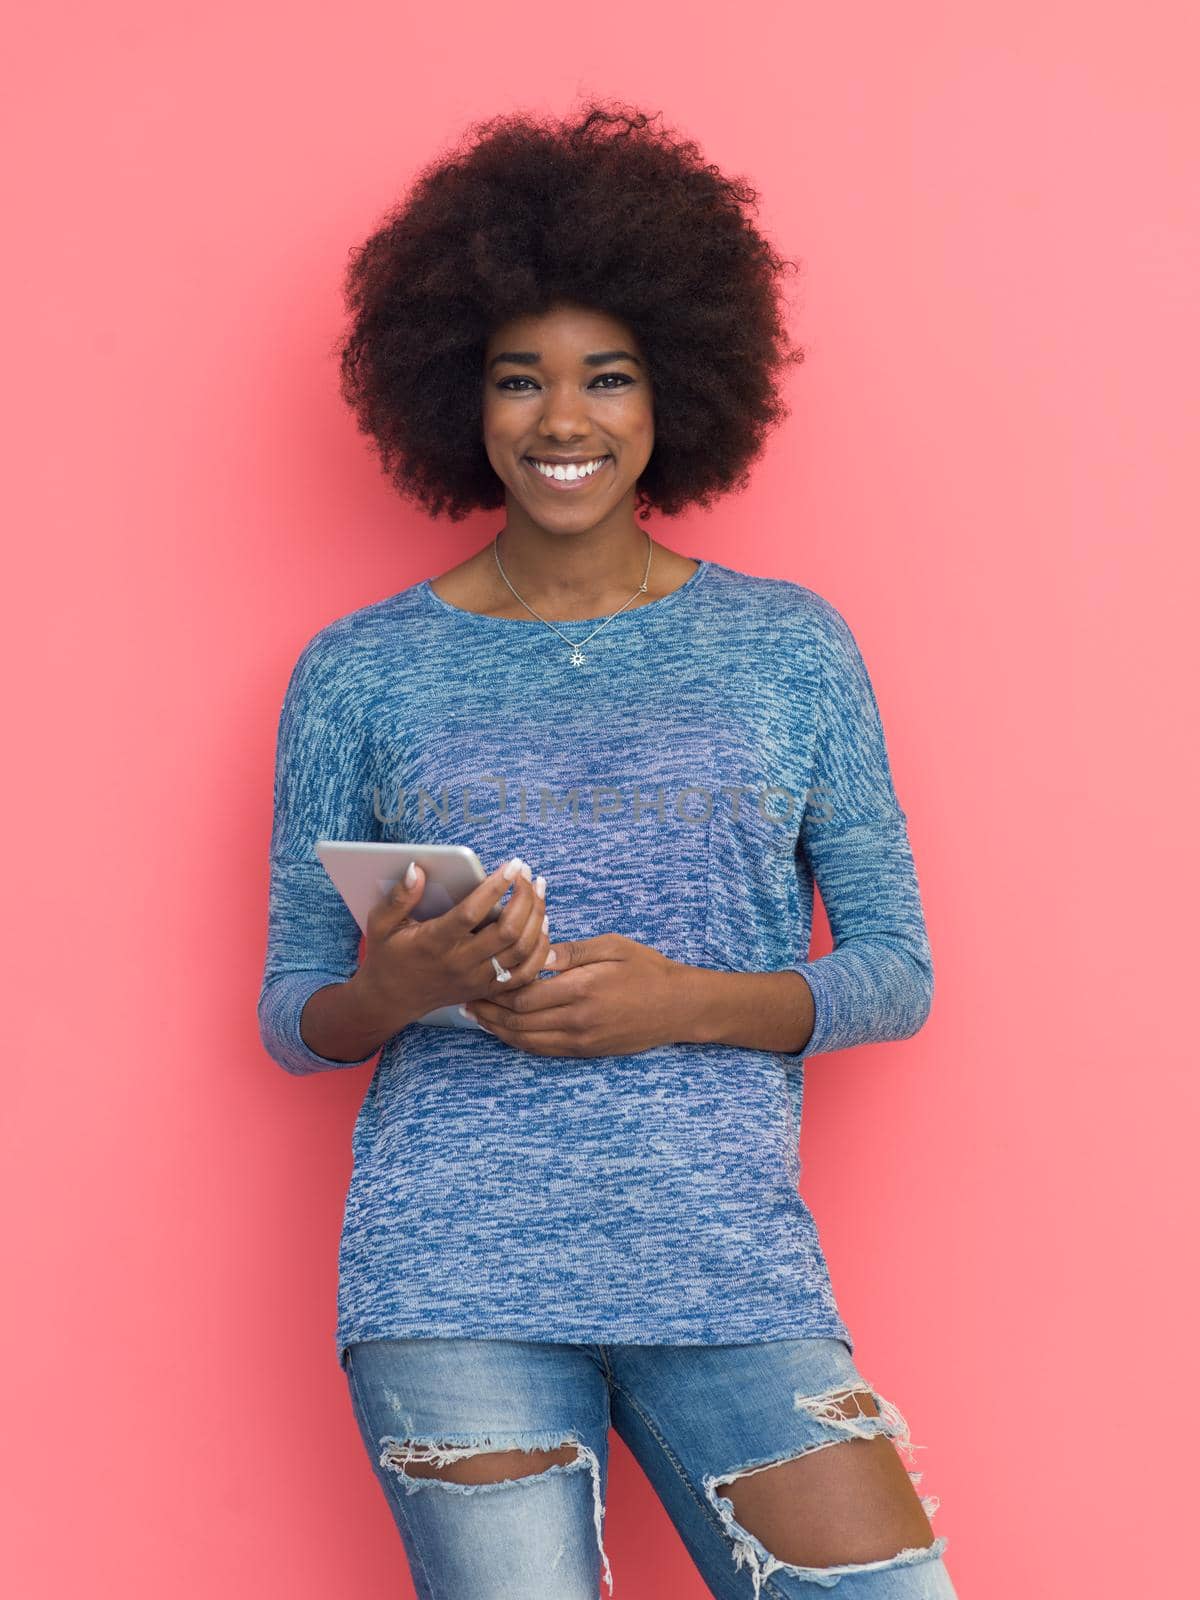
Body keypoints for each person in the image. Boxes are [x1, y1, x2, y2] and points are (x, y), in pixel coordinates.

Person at [257, 101, 958, 1600]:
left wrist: (682, 1001)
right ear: (460, 395)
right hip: (451, 1280)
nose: (560, 421)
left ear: (675, 392)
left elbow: (898, 972)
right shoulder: (360, 672)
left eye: (607, 377)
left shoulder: (789, 648)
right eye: (520, 379)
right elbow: (292, 1016)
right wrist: (404, 986)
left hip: (732, 1272)